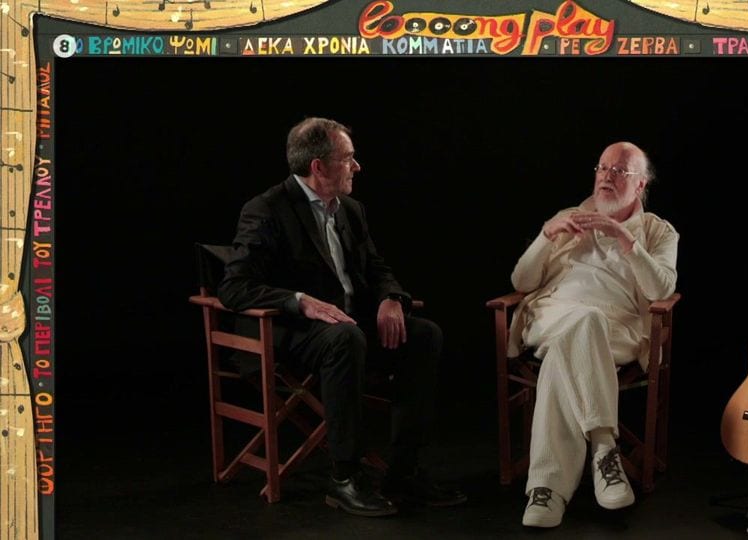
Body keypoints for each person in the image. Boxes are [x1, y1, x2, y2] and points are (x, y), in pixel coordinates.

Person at [218, 117, 465, 516]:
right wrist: (300, 301)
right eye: (348, 158)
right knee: (347, 338)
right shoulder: (266, 209)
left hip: (347, 326)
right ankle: (345, 477)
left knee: (424, 334)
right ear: (318, 166)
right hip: (292, 332)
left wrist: (391, 298)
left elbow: (376, 268)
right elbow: (234, 287)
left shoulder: (351, 209)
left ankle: (404, 472)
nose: (357, 166)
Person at [507, 142, 678, 528]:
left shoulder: (658, 231)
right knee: (584, 320)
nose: (606, 176)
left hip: (617, 331)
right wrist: (545, 236)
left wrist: (624, 238)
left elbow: (661, 290)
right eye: (602, 168)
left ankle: (546, 489)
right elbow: (522, 281)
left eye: (619, 171)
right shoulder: (568, 218)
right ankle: (604, 449)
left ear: (641, 184)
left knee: (574, 340)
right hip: (550, 317)